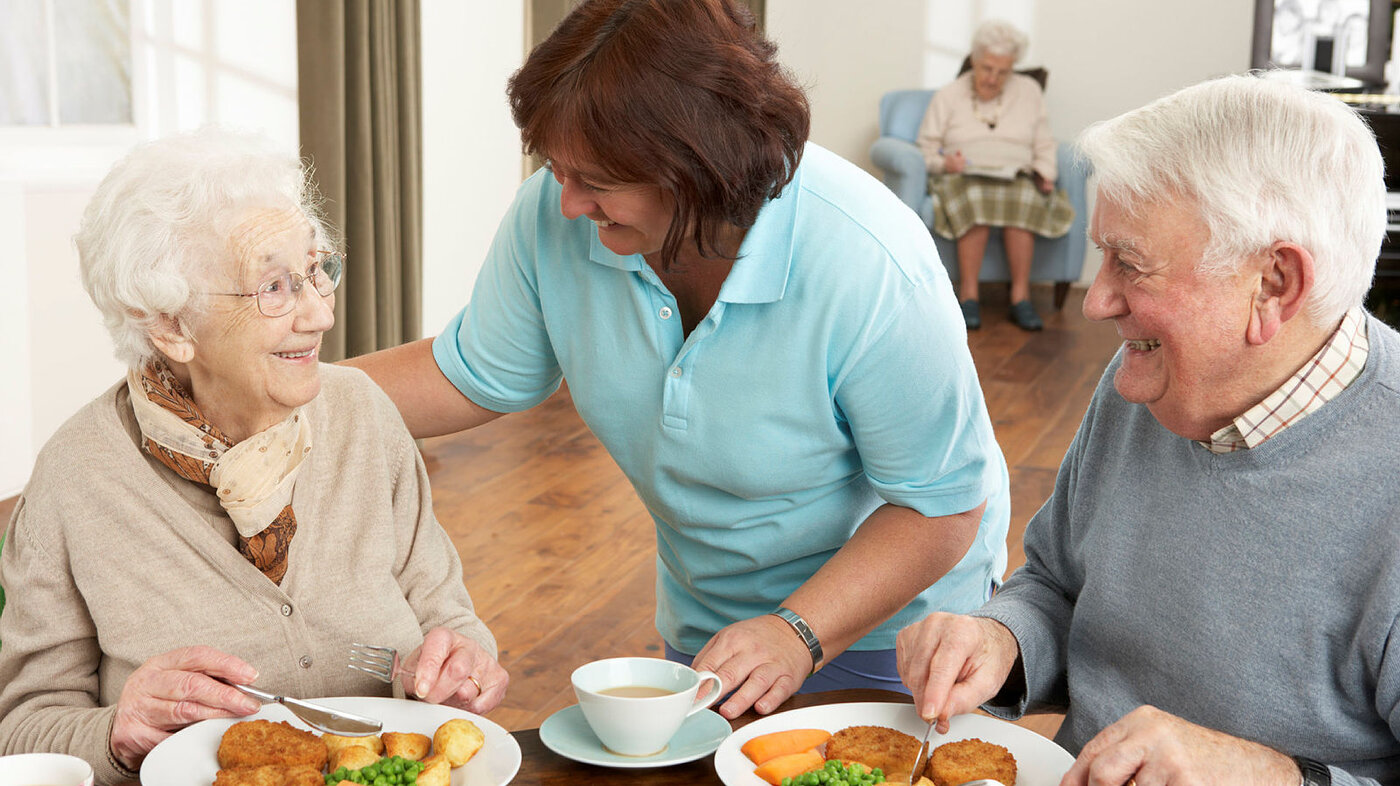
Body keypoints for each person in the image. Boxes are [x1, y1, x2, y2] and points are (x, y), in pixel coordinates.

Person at [348, 0, 1009, 720]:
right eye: (555, 168)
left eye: (595, 180)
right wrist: (273, 387)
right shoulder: (555, 216)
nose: (566, 202)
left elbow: (941, 508)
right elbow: (467, 372)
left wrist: (797, 633)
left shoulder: (868, 261)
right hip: (714, 626)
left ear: (697, 167)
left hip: (898, 635)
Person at [896, 74, 1400, 785]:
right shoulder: (1147, 379)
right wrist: (1002, 637)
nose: (1097, 300)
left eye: (1128, 264)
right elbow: (1056, 583)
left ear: (1275, 283)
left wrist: (1273, 776)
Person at [0, 127, 506, 783]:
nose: (319, 314)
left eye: (317, 270)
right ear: (171, 325)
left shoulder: (362, 415)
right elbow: (22, 731)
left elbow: (448, 617)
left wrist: (460, 664)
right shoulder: (76, 478)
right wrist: (117, 731)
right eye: (273, 287)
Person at [915, 19, 1074, 332]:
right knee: (975, 199)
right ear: (974, 60)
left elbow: (1044, 141)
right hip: (963, 176)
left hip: (1016, 174)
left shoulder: (1028, 91)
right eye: (987, 68)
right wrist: (945, 164)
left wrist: (1045, 172)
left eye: (1003, 71)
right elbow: (925, 149)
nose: (993, 78)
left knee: (1025, 199)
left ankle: (1021, 298)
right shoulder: (948, 95)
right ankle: (969, 296)